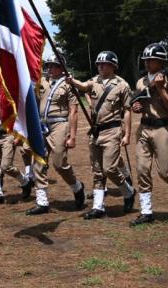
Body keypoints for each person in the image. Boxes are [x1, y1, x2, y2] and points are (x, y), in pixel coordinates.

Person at [67, 51, 136, 219]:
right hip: (95, 131)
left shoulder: (122, 85)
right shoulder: (94, 81)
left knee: (110, 168)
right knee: (97, 171)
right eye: (98, 64)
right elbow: (83, 87)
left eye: (104, 64)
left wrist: (127, 134)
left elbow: (127, 111)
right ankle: (98, 207)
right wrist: (71, 80)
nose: (100, 66)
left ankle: (128, 192)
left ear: (113, 66)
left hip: (112, 130)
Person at [129, 43, 168, 226]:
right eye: (146, 60)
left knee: (164, 171)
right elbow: (137, 104)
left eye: (152, 60)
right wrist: (136, 107)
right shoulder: (141, 82)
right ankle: (146, 211)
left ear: (161, 62)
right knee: (142, 169)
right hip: (144, 128)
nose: (147, 63)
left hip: (163, 128)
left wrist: (161, 89)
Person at [26, 55, 86, 215]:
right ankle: (42, 201)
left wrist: (72, 136)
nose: (50, 69)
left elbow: (73, 111)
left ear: (61, 68)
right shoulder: (41, 82)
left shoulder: (68, 84)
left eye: (54, 66)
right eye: (49, 65)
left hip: (60, 124)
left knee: (59, 163)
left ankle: (77, 187)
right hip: (41, 125)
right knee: (38, 161)